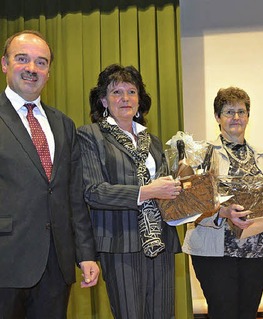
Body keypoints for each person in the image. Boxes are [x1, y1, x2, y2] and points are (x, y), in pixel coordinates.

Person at [0, 30, 99, 318]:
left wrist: (85, 254)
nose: (32, 69)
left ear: (49, 72)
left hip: (57, 265)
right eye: (22, 59)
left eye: (41, 62)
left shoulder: (63, 125)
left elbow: (74, 196)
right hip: (6, 262)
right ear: (4, 64)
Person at [78, 64, 182, 319]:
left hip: (160, 242)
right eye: (116, 92)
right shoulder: (90, 136)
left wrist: (183, 183)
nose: (125, 98)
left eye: (132, 92)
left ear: (140, 100)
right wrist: (146, 191)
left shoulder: (154, 141)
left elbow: (166, 190)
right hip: (120, 242)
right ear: (103, 100)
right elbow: (94, 192)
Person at [182, 87, 263, 319]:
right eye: (229, 112)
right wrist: (223, 212)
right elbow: (190, 205)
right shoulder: (201, 155)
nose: (236, 117)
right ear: (217, 117)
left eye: (241, 111)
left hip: (258, 254)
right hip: (216, 253)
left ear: (248, 116)